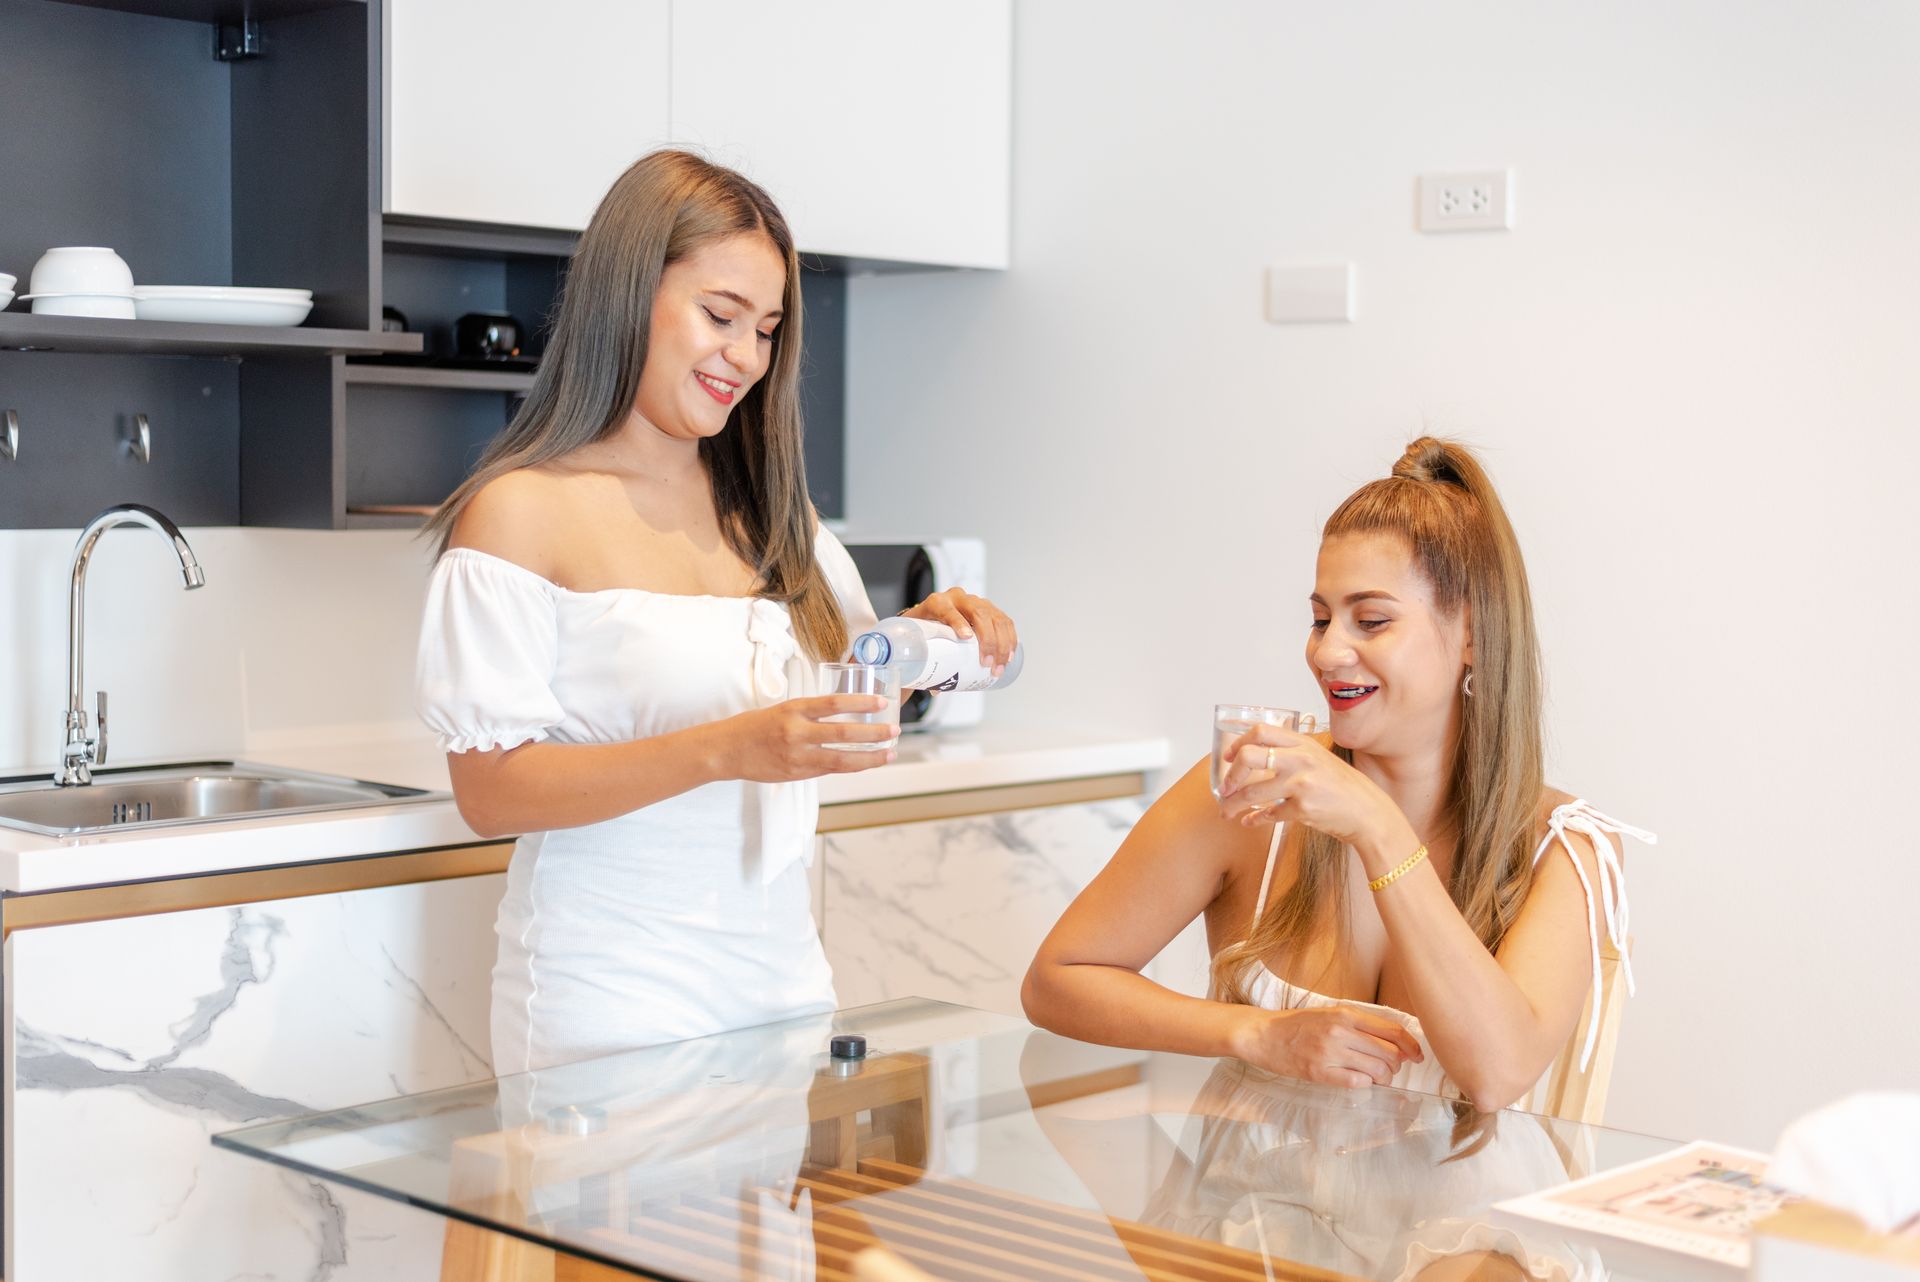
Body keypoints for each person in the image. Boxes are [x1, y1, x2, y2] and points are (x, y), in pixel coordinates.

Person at [414, 150, 1017, 1074]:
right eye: (720, 315)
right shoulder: (522, 511)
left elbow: (847, 702)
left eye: (767, 329)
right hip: (606, 996)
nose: (746, 355)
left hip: (780, 983)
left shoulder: (775, 514)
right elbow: (490, 792)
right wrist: (729, 748)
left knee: (766, 1224)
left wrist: (926, 639)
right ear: (628, 296)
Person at [1022, 437, 1651, 1113]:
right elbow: (1056, 981)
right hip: (1239, 1218)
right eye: (1320, 618)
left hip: (1455, 1222)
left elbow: (1496, 1074)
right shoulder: (1251, 790)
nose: (1327, 651)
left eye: (1371, 620)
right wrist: (1255, 1033)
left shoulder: (1567, 851)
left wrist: (1376, 826)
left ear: (1473, 634)